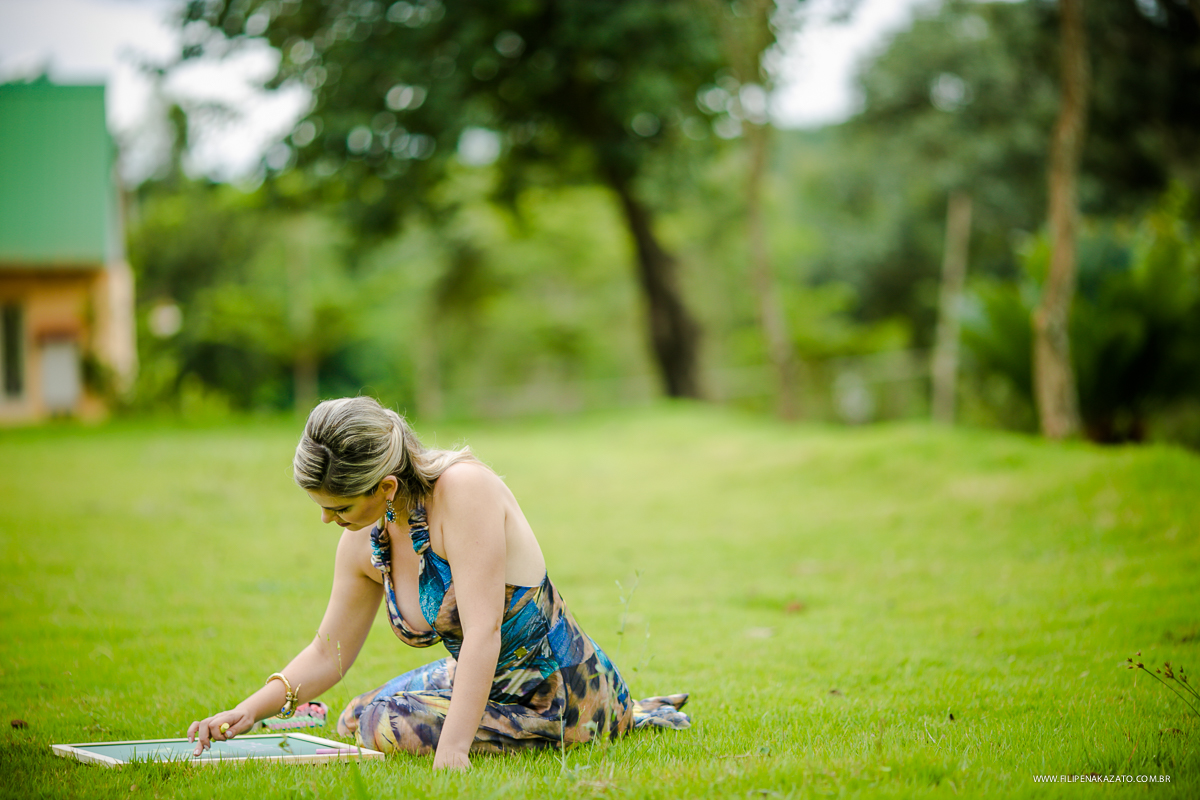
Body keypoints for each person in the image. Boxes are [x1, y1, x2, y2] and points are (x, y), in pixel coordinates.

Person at [187, 396, 689, 769]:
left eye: (339, 507)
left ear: (386, 486)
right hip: (476, 678)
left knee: (382, 723)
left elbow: (483, 632)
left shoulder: (465, 492)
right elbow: (326, 653)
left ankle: (597, 721)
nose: (326, 520)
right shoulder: (363, 542)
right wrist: (247, 711)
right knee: (356, 717)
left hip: (556, 690)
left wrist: (452, 749)